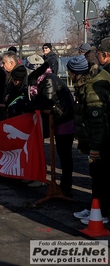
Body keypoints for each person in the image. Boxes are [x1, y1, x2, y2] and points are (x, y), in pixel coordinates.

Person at [67, 55, 110, 225]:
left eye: (70, 72)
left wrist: (95, 147)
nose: (68, 75)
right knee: (97, 176)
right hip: (96, 138)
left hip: (102, 141)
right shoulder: (87, 82)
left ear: (76, 73)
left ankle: (101, 212)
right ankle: (94, 207)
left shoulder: (92, 88)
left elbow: (98, 123)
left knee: (101, 177)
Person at [26, 61, 75, 192]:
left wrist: (30, 106)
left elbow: (47, 101)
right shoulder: (42, 80)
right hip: (58, 119)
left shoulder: (49, 79)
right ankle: (62, 185)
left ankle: (66, 186)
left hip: (63, 120)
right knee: (62, 154)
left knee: (64, 155)